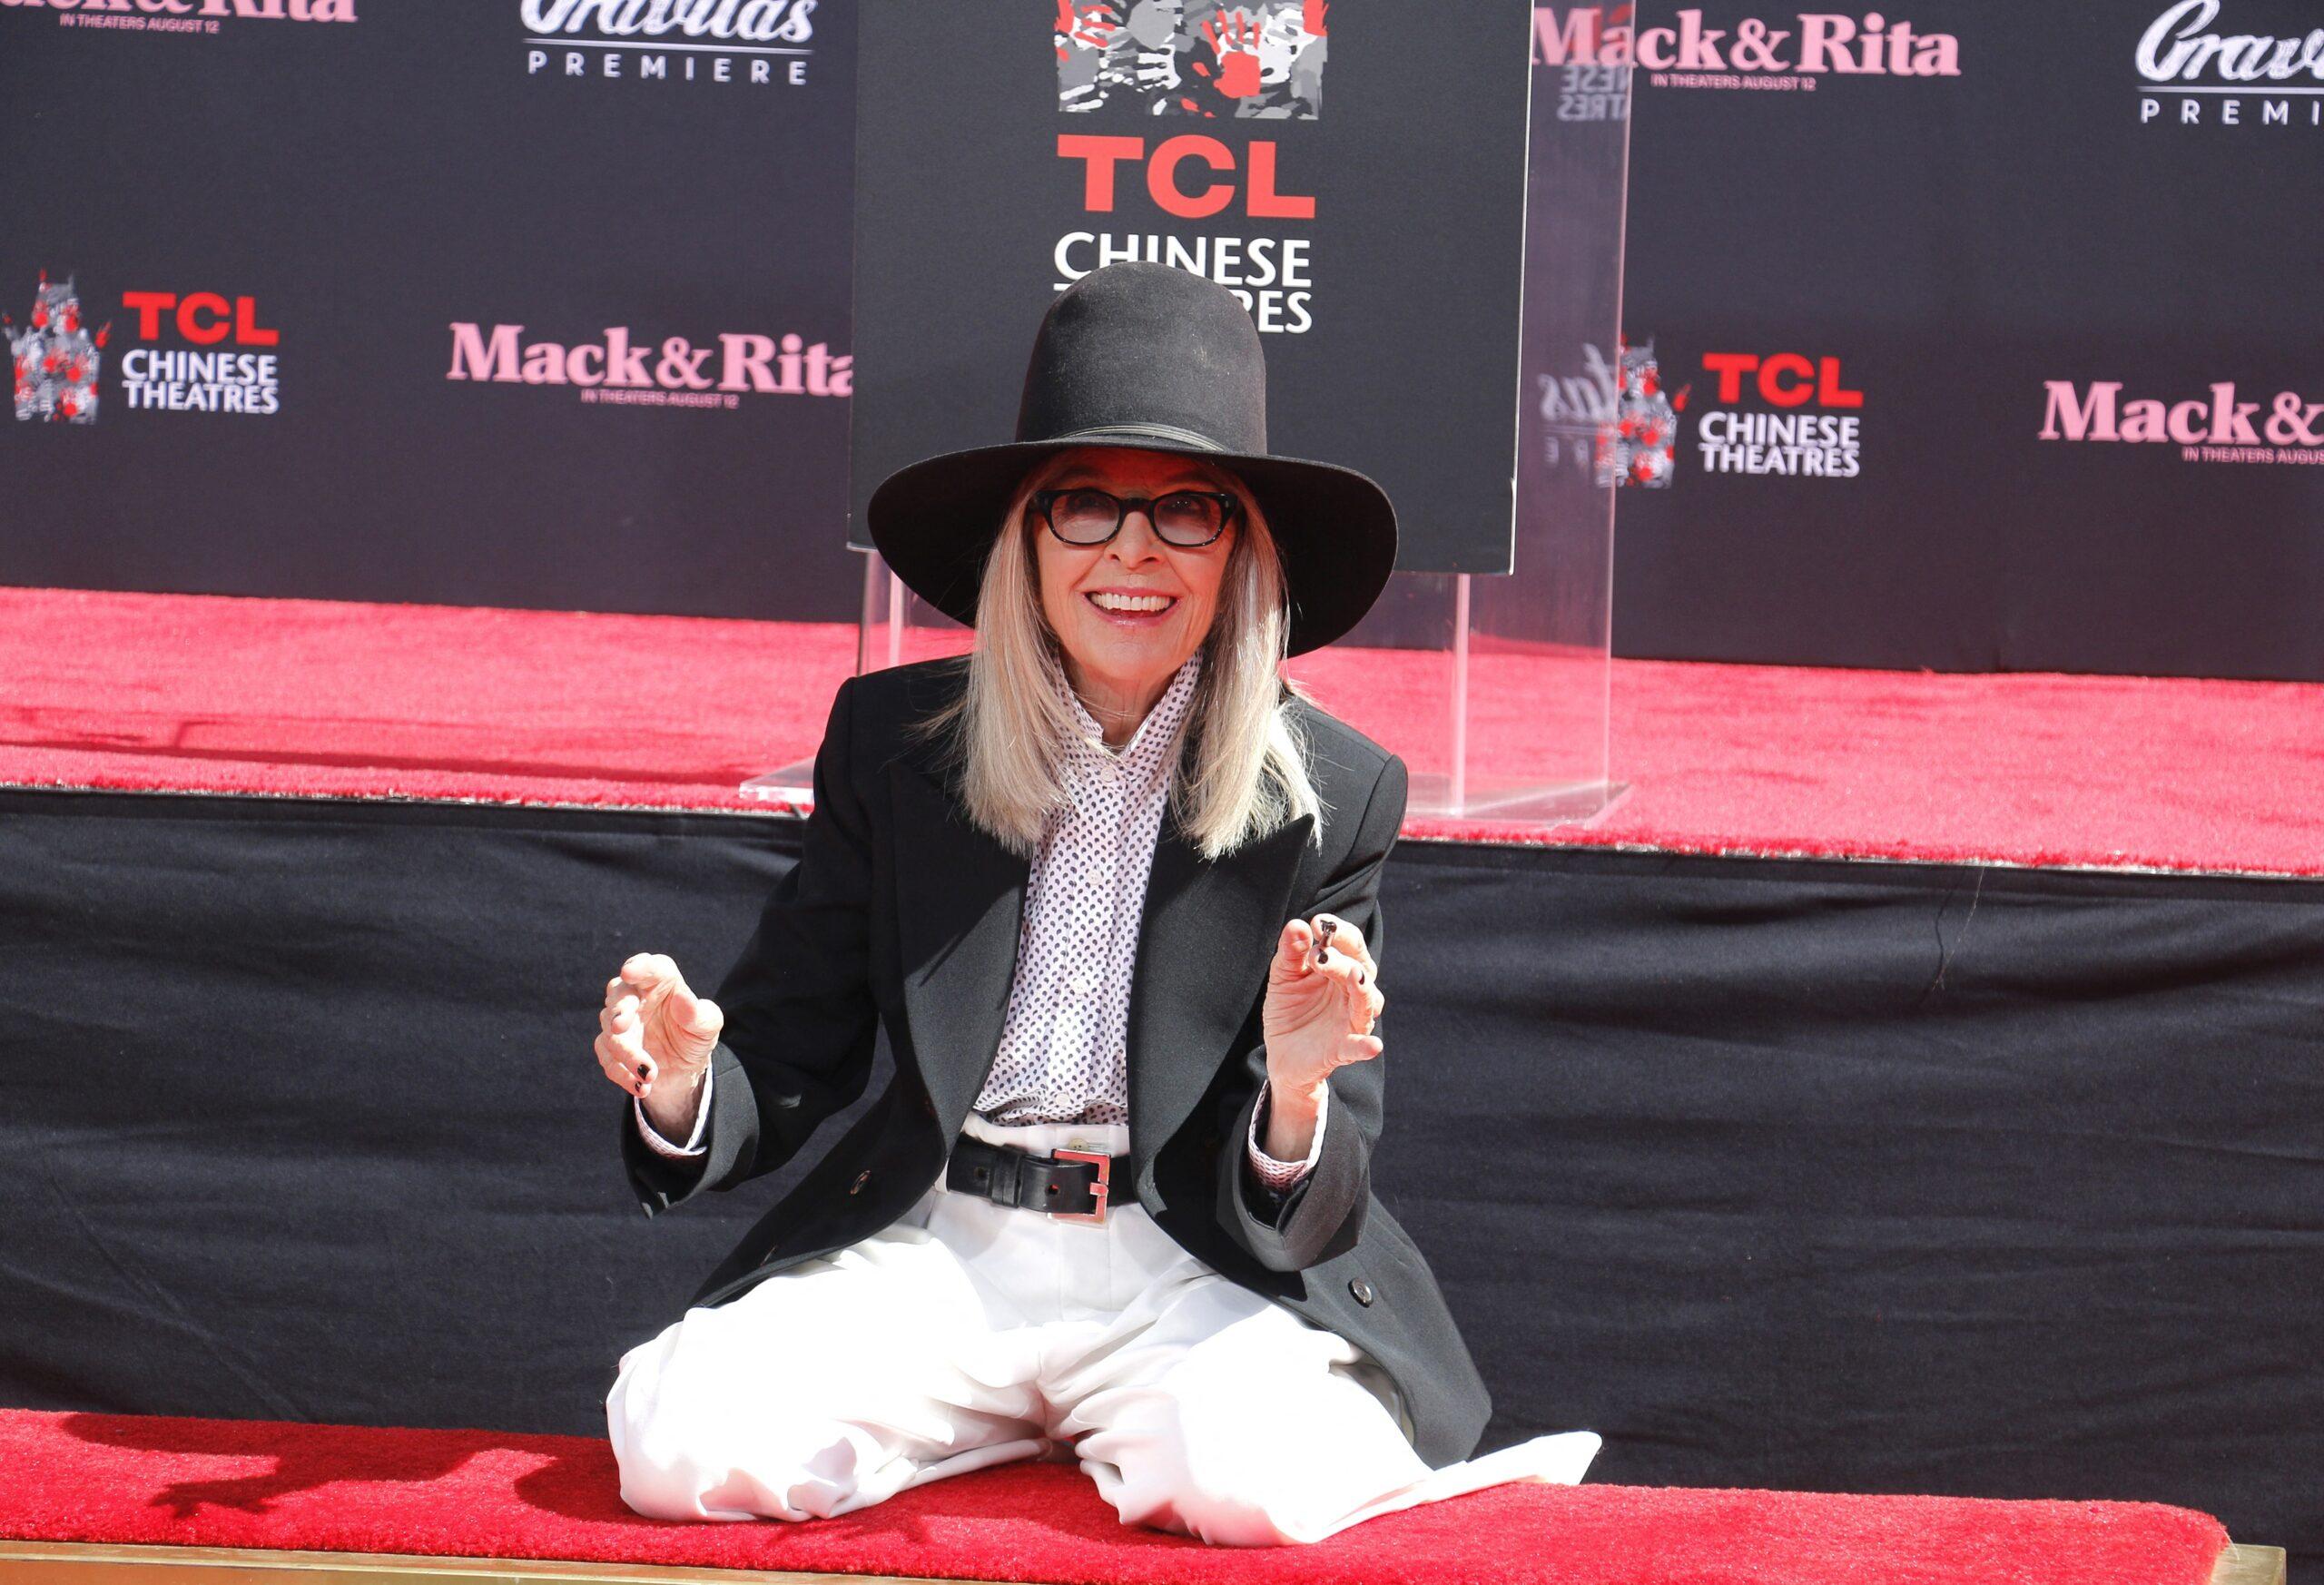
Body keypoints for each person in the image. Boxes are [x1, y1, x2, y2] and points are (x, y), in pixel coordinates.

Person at [594, 261, 1600, 1545]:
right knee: (680, 1440)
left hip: (1181, 1264)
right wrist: (680, 1083)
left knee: (1260, 1478)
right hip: (944, 1243)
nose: (1134, 552)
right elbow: (788, 1048)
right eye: (1086, 506)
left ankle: (1080, 1427)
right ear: (1025, 536)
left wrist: (1294, 1092)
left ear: (1244, 550)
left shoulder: (1332, 794)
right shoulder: (896, 743)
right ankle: (1007, 1422)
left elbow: (1317, 1187)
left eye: (1189, 510)